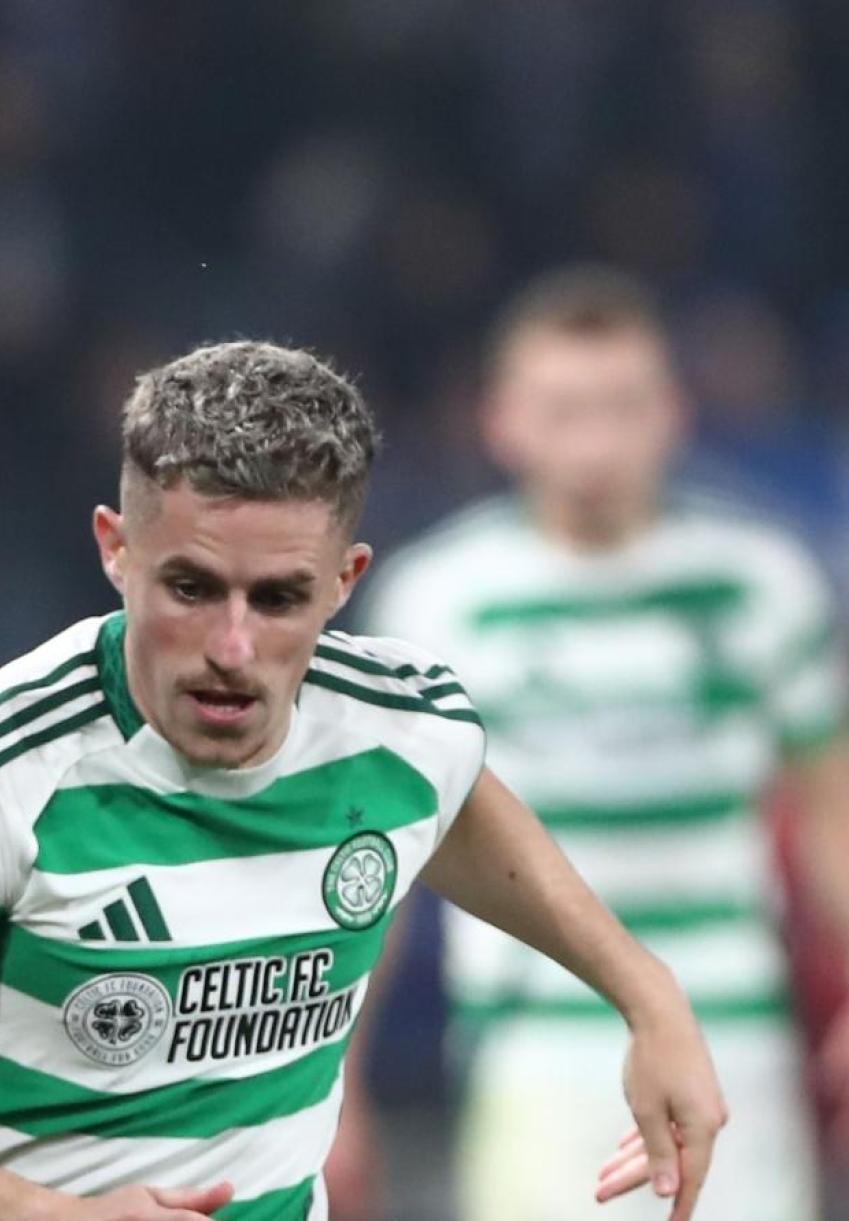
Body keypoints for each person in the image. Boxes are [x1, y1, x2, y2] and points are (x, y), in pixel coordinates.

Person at [0, 340, 728, 1221]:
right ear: (116, 548)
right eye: (191, 588)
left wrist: (648, 995)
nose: (232, 647)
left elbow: (463, 813)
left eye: (278, 599)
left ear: (344, 579)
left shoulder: (401, 727)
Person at [346, 267, 849, 1221]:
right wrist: (335, 1081)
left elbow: (832, 810)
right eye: (565, 408)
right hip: (534, 1048)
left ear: (672, 413)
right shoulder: (441, 600)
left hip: (733, 1036)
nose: (596, 439)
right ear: (504, 420)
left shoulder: (762, 584)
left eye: (621, 406)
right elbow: (386, 857)